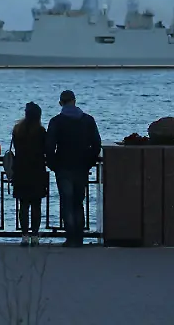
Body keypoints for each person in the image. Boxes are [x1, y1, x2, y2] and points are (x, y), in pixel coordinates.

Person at [45, 90, 102, 247]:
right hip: (81, 167)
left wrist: (53, 165)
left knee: (67, 202)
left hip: (63, 167)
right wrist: (89, 161)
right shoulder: (88, 120)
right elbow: (97, 144)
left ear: (60, 103)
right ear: (75, 101)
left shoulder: (56, 121)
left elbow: (49, 147)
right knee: (78, 202)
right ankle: (79, 237)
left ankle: (70, 237)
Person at [10, 102, 48, 247]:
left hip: (20, 170)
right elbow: (46, 149)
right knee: (36, 204)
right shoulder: (40, 131)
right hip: (37, 170)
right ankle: (35, 236)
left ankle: (24, 235)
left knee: (23, 205)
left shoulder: (17, 130)